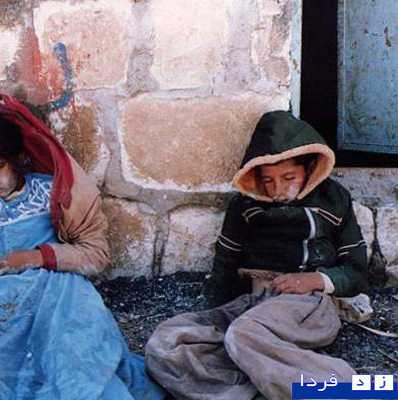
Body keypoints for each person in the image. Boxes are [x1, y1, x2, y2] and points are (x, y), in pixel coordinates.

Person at [0, 95, 164, 400]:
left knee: (76, 359)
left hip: (62, 294)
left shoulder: (53, 193)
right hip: (7, 302)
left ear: (18, 158)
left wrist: (35, 257)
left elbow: (94, 255)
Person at [144, 111, 367, 400]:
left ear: (310, 167)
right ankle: (254, 389)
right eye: (268, 180)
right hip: (253, 303)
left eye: (289, 177)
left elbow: (356, 271)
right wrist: (219, 312)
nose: (277, 190)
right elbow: (226, 262)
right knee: (166, 341)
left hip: (306, 303)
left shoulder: (333, 199)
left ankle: (348, 389)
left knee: (244, 335)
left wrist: (314, 280)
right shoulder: (245, 206)